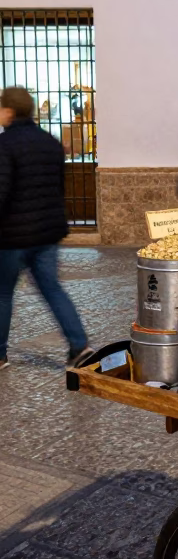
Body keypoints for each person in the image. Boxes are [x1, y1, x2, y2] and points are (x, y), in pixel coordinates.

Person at [0, 86, 88, 369]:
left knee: (2, 293)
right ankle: (79, 344)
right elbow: (58, 189)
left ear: (10, 111)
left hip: (12, 237)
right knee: (52, 288)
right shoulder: (49, 142)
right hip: (47, 234)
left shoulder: (4, 145)